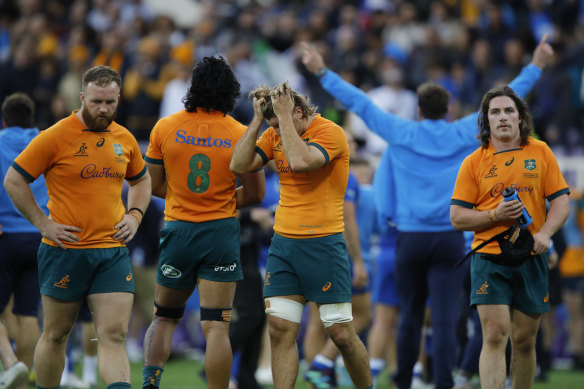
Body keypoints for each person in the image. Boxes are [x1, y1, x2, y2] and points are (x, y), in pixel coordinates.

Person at [299, 34, 554, 389]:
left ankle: (403, 380)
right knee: (446, 318)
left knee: (409, 316)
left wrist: (322, 71)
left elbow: (359, 103)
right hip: (450, 238)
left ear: (418, 111)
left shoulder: (401, 131)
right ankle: (444, 382)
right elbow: (510, 96)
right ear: (449, 110)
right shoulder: (463, 133)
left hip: (408, 236)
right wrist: (537, 65)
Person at [3, 65, 152, 389]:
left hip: (111, 251)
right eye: (97, 101)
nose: (104, 109)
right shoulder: (56, 135)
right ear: (83, 97)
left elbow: (142, 180)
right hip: (64, 251)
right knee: (56, 334)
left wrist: (135, 216)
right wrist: (43, 224)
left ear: (118, 99)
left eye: (110, 102)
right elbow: (14, 180)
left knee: (114, 334)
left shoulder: (123, 138)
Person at [230, 81, 373, 389]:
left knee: (341, 334)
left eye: (280, 125)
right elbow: (238, 164)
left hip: (324, 243)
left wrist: (282, 121)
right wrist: (257, 121)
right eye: (274, 128)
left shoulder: (330, 132)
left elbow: (301, 161)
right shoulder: (273, 131)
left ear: (297, 111)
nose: (276, 134)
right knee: (279, 329)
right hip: (284, 246)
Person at [141, 56, 265, 389]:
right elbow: (255, 194)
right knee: (217, 325)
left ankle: (150, 383)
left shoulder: (165, 127)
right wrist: (218, 200)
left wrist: (187, 199)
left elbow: (151, 185)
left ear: (192, 88)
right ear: (231, 92)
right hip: (221, 235)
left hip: (178, 231)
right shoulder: (241, 133)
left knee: (164, 317)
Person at [450, 85, 570, 389]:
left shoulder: (541, 151)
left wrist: (545, 233)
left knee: (525, 340)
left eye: (508, 111)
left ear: (520, 118)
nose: (502, 117)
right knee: (494, 333)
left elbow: (561, 201)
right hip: (489, 256)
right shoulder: (473, 162)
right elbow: (457, 217)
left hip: (532, 255)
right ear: (486, 121)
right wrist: (494, 215)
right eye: (495, 112)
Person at [0, 93, 43, 389]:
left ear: (4, 120)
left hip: (5, 236)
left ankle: (11, 364)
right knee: (28, 313)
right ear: (32, 119)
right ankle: (23, 381)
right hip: (41, 235)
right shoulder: (46, 141)